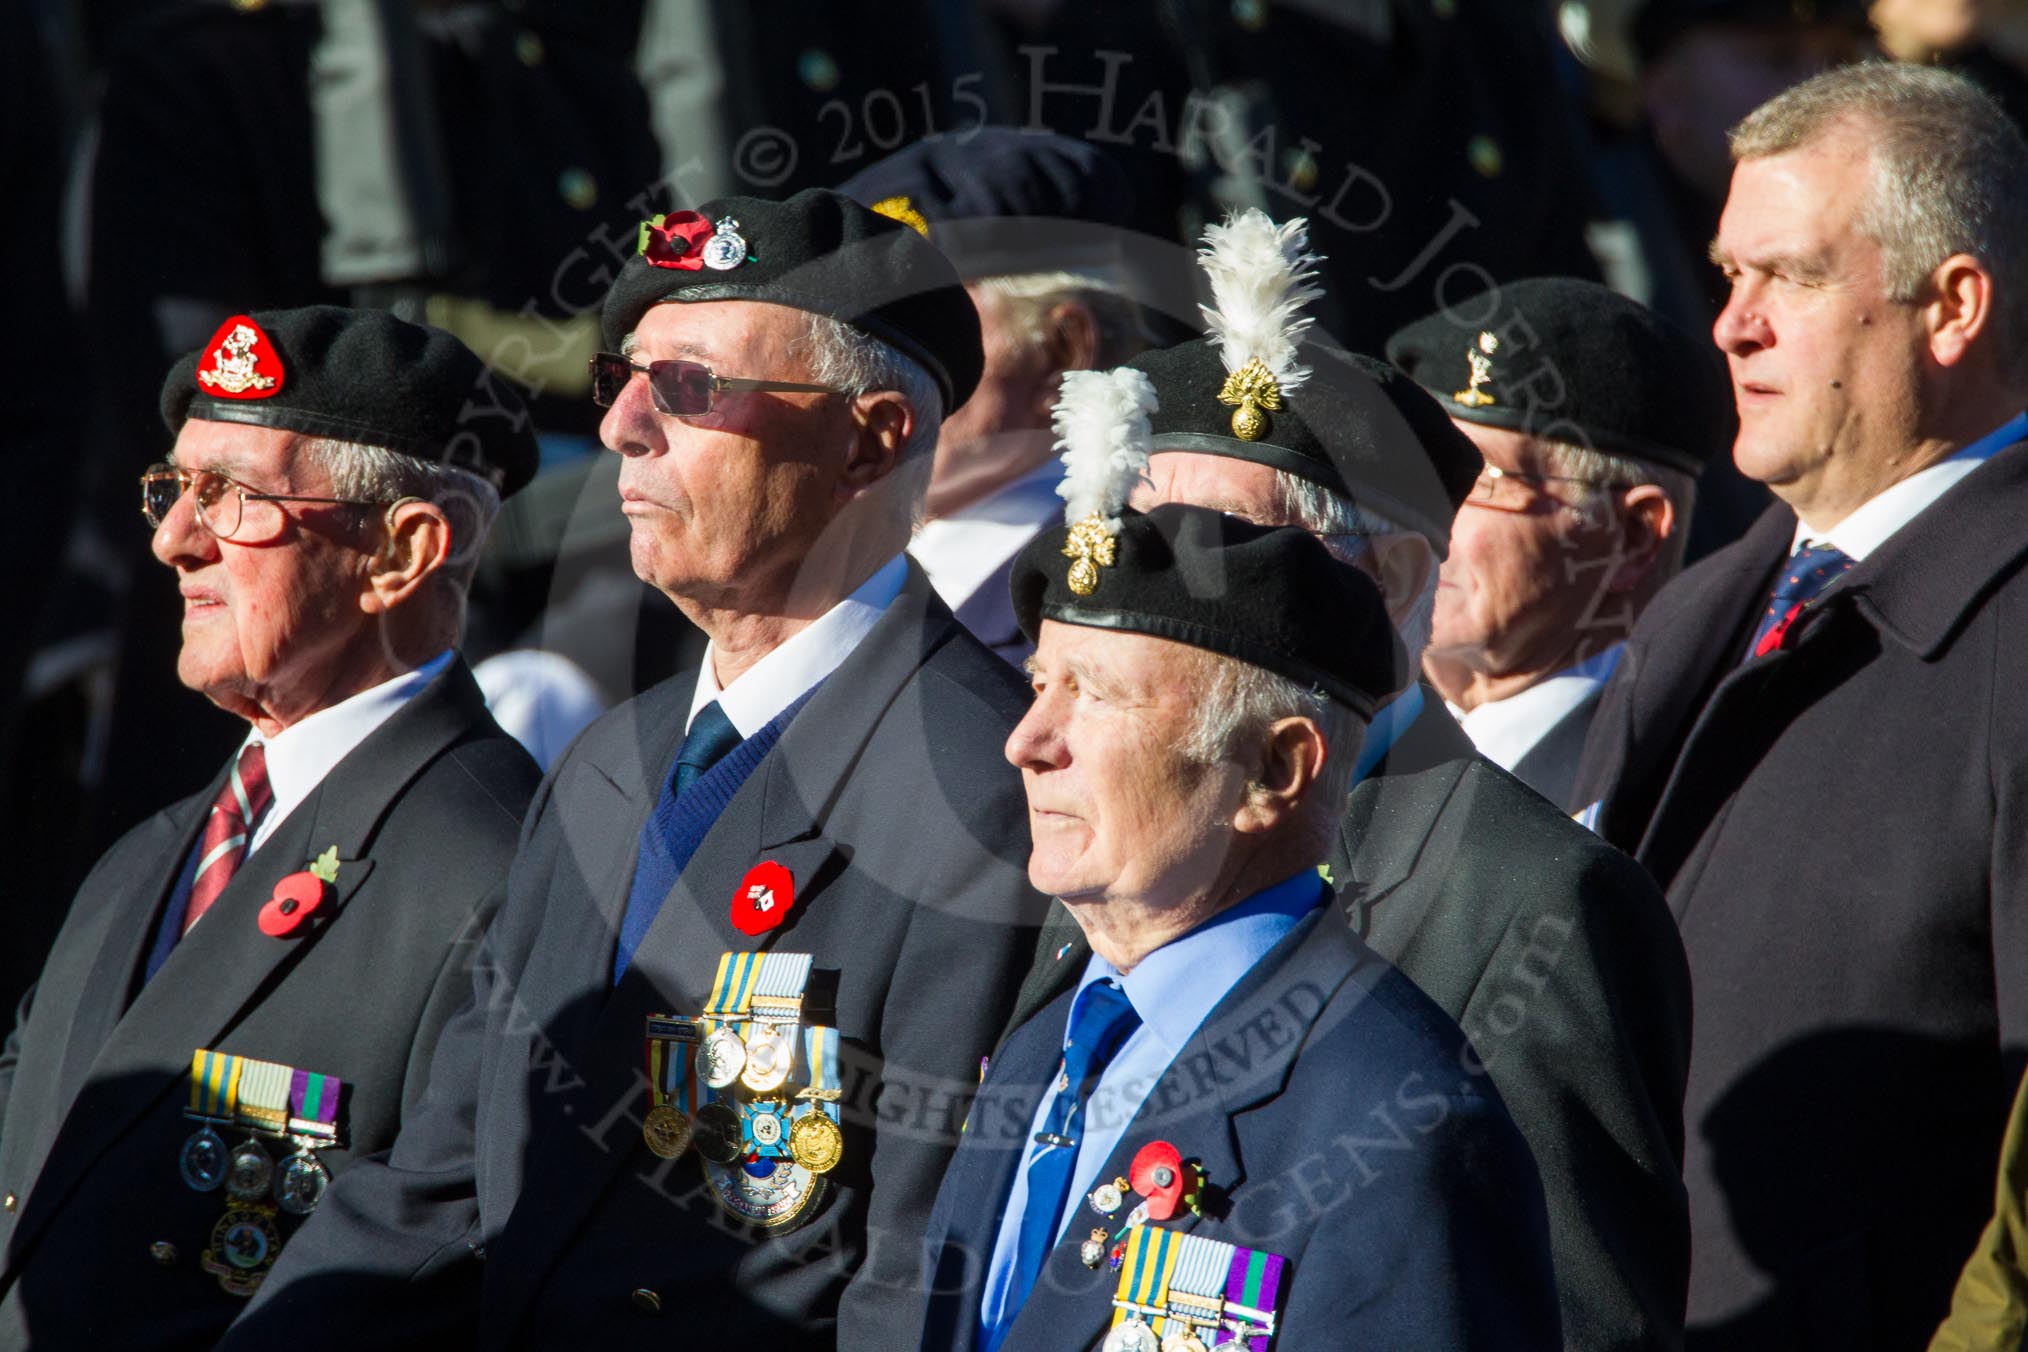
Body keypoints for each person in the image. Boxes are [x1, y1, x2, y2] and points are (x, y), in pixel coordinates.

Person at [222, 188, 1047, 1348]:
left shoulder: (987, 785)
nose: (622, 425)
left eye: (694, 387)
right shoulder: (613, 756)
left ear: (870, 439)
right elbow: (442, 1184)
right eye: (625, 379)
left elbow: (917, 1278)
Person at [1006, 209, 1690, 1352]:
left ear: (1393, 577)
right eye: (1146, 527)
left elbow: (1576, 1322)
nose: (1153, 578)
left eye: (1219, 542)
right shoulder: (1123, 824)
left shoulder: (1530, 900)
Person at [1572, 63, 2028, 1347]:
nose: (1732, 323)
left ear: (1950, 306)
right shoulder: (1701, 609)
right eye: (1728, 274)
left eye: (1794, 275)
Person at [0, 306, 543, 1349]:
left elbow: (429, 1271)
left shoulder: (500, 868)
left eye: (232, 497)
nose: (171, 541)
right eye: (171, 489)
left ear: (399, 551)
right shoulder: (147, 854)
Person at [918, 485, 1560, 1350]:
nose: (1028, 741)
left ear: (1275, 768)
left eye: (1099, 695)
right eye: (1041, 685)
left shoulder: (1402, 1127)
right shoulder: (1054, 1037)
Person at [1387, 276, 1728, 808]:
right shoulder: (1367, 753)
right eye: (1412, 471)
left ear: (1630, 538)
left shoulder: (1669, 792)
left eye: (1476, 481)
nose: (1414, 515)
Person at [839, 127, 1155, 664]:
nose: (864, 375)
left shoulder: (1126, 608)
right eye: (854, 334)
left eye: (925, 330)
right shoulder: (812, 586)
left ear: (1061, 354)